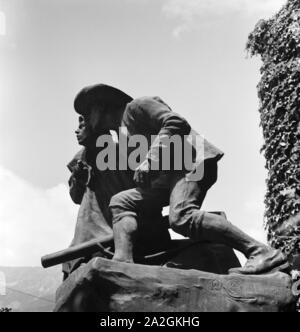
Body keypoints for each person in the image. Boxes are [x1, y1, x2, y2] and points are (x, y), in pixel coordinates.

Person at [74, 83, 290, 275]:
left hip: (190, 163)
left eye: (88, 111)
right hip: (168, 177)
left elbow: (176, 122)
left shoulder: (137, 107)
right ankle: (123, 262)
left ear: (101, 107)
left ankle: (261, 252)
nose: (87, 119)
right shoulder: (122, 136)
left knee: (182, 217)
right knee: (121, 201)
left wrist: (151, 159)